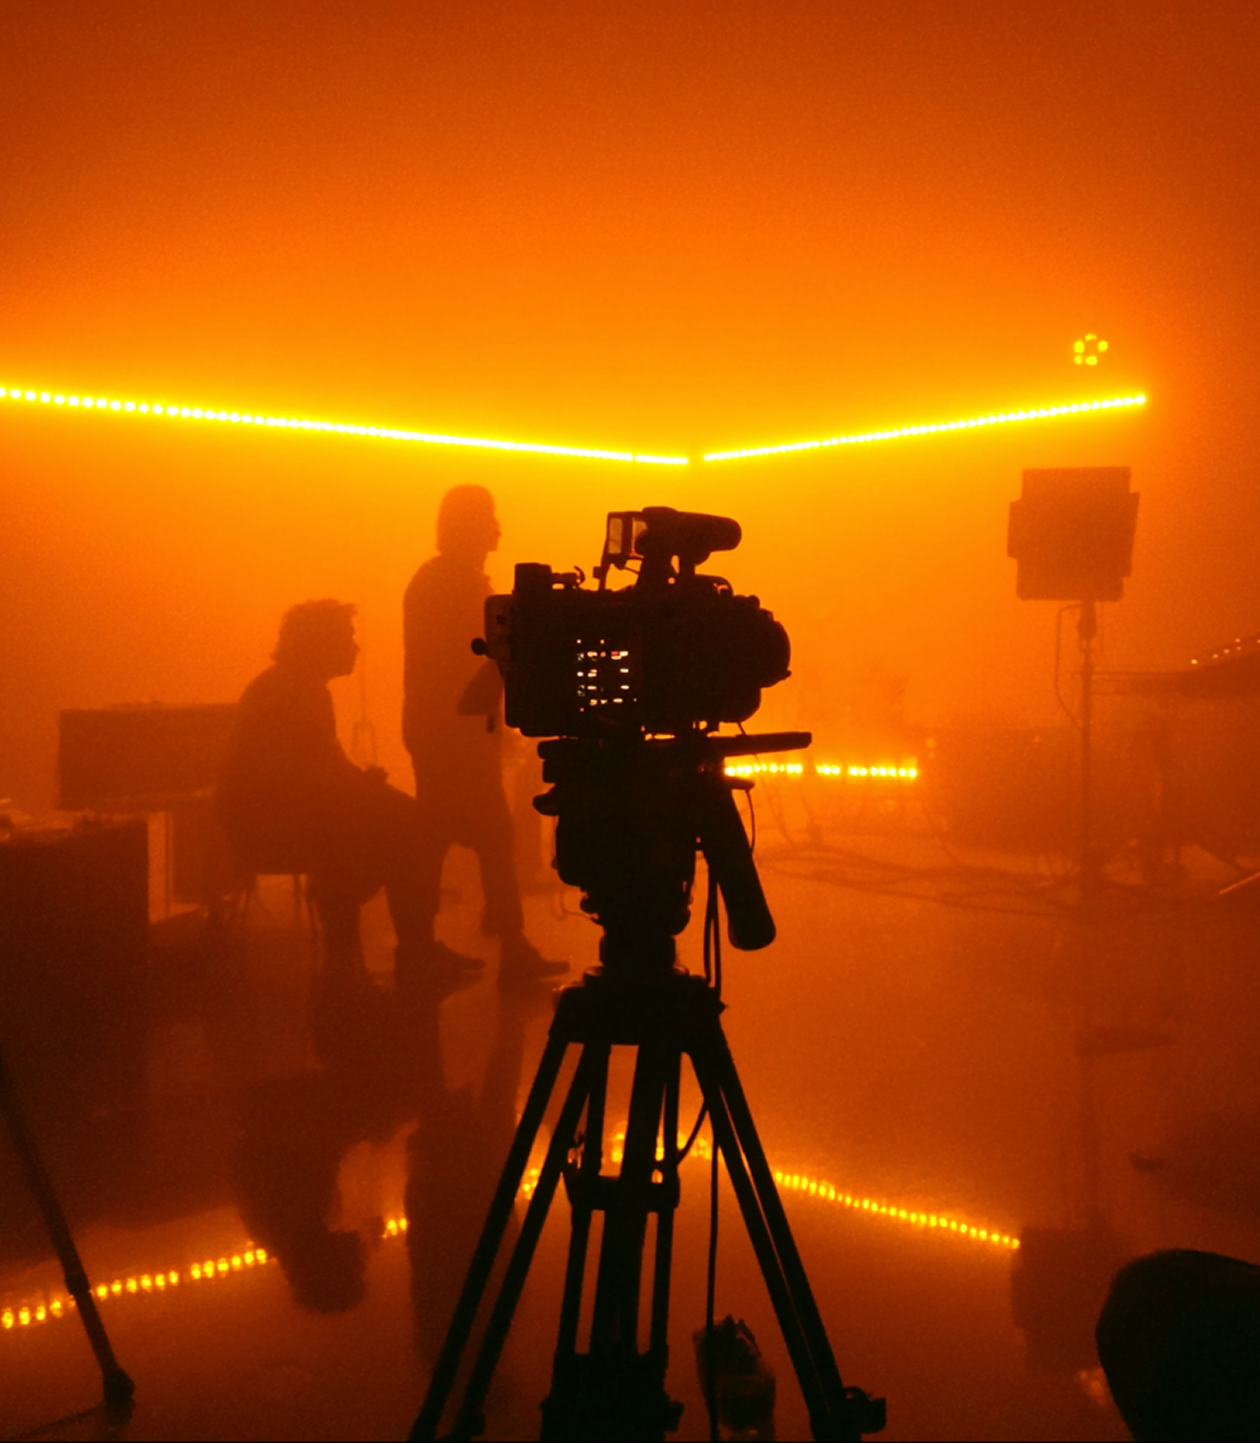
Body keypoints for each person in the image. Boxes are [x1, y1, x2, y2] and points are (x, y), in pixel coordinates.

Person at [217, 598, 474, 995]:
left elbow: (316, 769)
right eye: (346, 638)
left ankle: (386, 950)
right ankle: (412, 952)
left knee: (398, 818)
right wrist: (364, 789)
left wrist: (361, 786)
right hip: (273, 824)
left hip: (279, 816)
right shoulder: (295, 692)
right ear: (319, 643)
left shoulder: (291, 686)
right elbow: (312, 775)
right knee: (406, 823)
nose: (355, 647)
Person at [403, 485, 565, 988]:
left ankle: (421, 947)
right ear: (468, 524)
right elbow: (477, 659)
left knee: (443, 837)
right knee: (490, 835)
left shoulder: (440, 579)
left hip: (442, 728)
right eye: (490, 515)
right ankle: (507, 947)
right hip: (454, 730)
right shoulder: (456, 584)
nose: (498, 525)